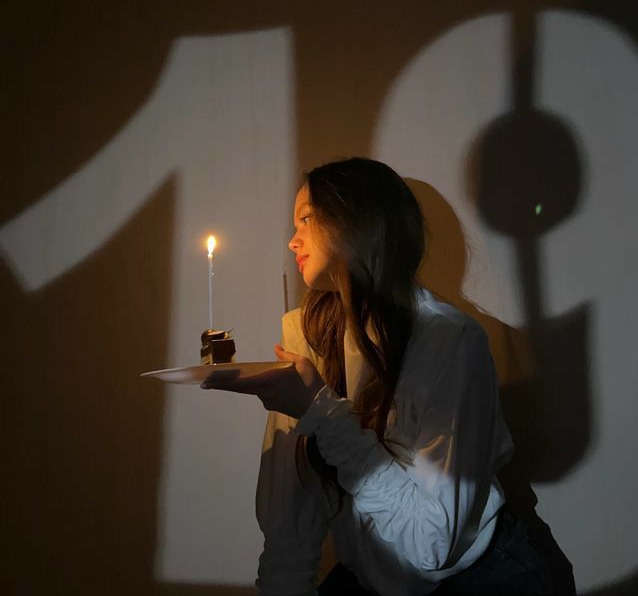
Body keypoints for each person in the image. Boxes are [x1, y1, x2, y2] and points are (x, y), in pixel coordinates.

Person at [202, 157, 574, 595]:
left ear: (359, 223)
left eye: (306, 219)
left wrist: (320, 411)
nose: (291, 241)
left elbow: (433, 547)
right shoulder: (304, 336)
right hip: (374, 581)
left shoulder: (448, 340)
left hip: (488, 578)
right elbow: (289, 529)